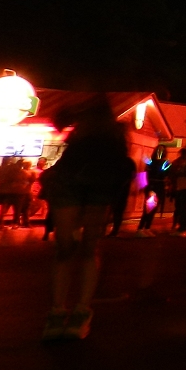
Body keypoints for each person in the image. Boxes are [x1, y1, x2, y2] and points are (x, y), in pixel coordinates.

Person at [40, 92, 133, 340]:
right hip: (89, 185)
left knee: (72, 248)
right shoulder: (108, 130)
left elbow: (60, 120)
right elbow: (124, 165)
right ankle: (72, 310)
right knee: (79, 248)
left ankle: (69, 310)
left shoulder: (97, 126)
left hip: (84, 183)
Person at [136, 146, 169, 236]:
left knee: (152, 209)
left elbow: (165, 175)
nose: (160, 152)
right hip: (154, 186)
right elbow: (146, 174)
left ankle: (146, 228)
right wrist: (146, 186)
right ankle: (141, 229)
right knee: (148, 208)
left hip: (157, 187)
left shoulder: (157, 162)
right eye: (159, 150)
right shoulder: (154, 162)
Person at [108, 155, 137, 236]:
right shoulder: (128, 161)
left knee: (113, 209)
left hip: (115, 188)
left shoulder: (114, 160)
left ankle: (111, 229)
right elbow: (134, 174)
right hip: (122, 188)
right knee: (118, 210)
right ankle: (115, 229)